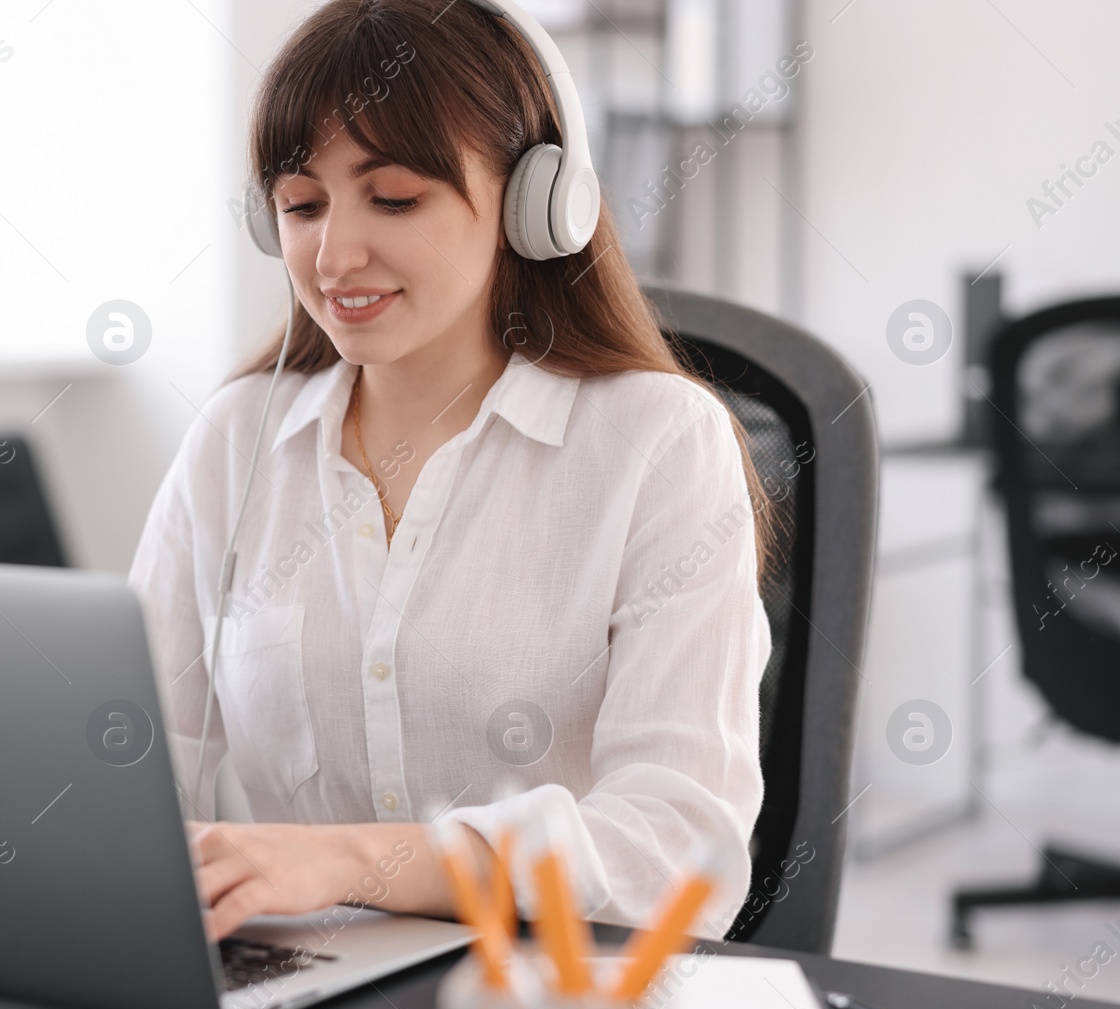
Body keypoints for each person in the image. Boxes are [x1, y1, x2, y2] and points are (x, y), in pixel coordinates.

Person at [127, 0, 777, 944]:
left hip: (563, 1005)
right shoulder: (235, 441)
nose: (334, 255)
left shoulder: (659, 443)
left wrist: (360, 861)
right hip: (306, 996)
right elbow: (132, 764)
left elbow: (681, 848)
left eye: (393, 198)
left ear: (536, 202)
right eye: (302, 206)